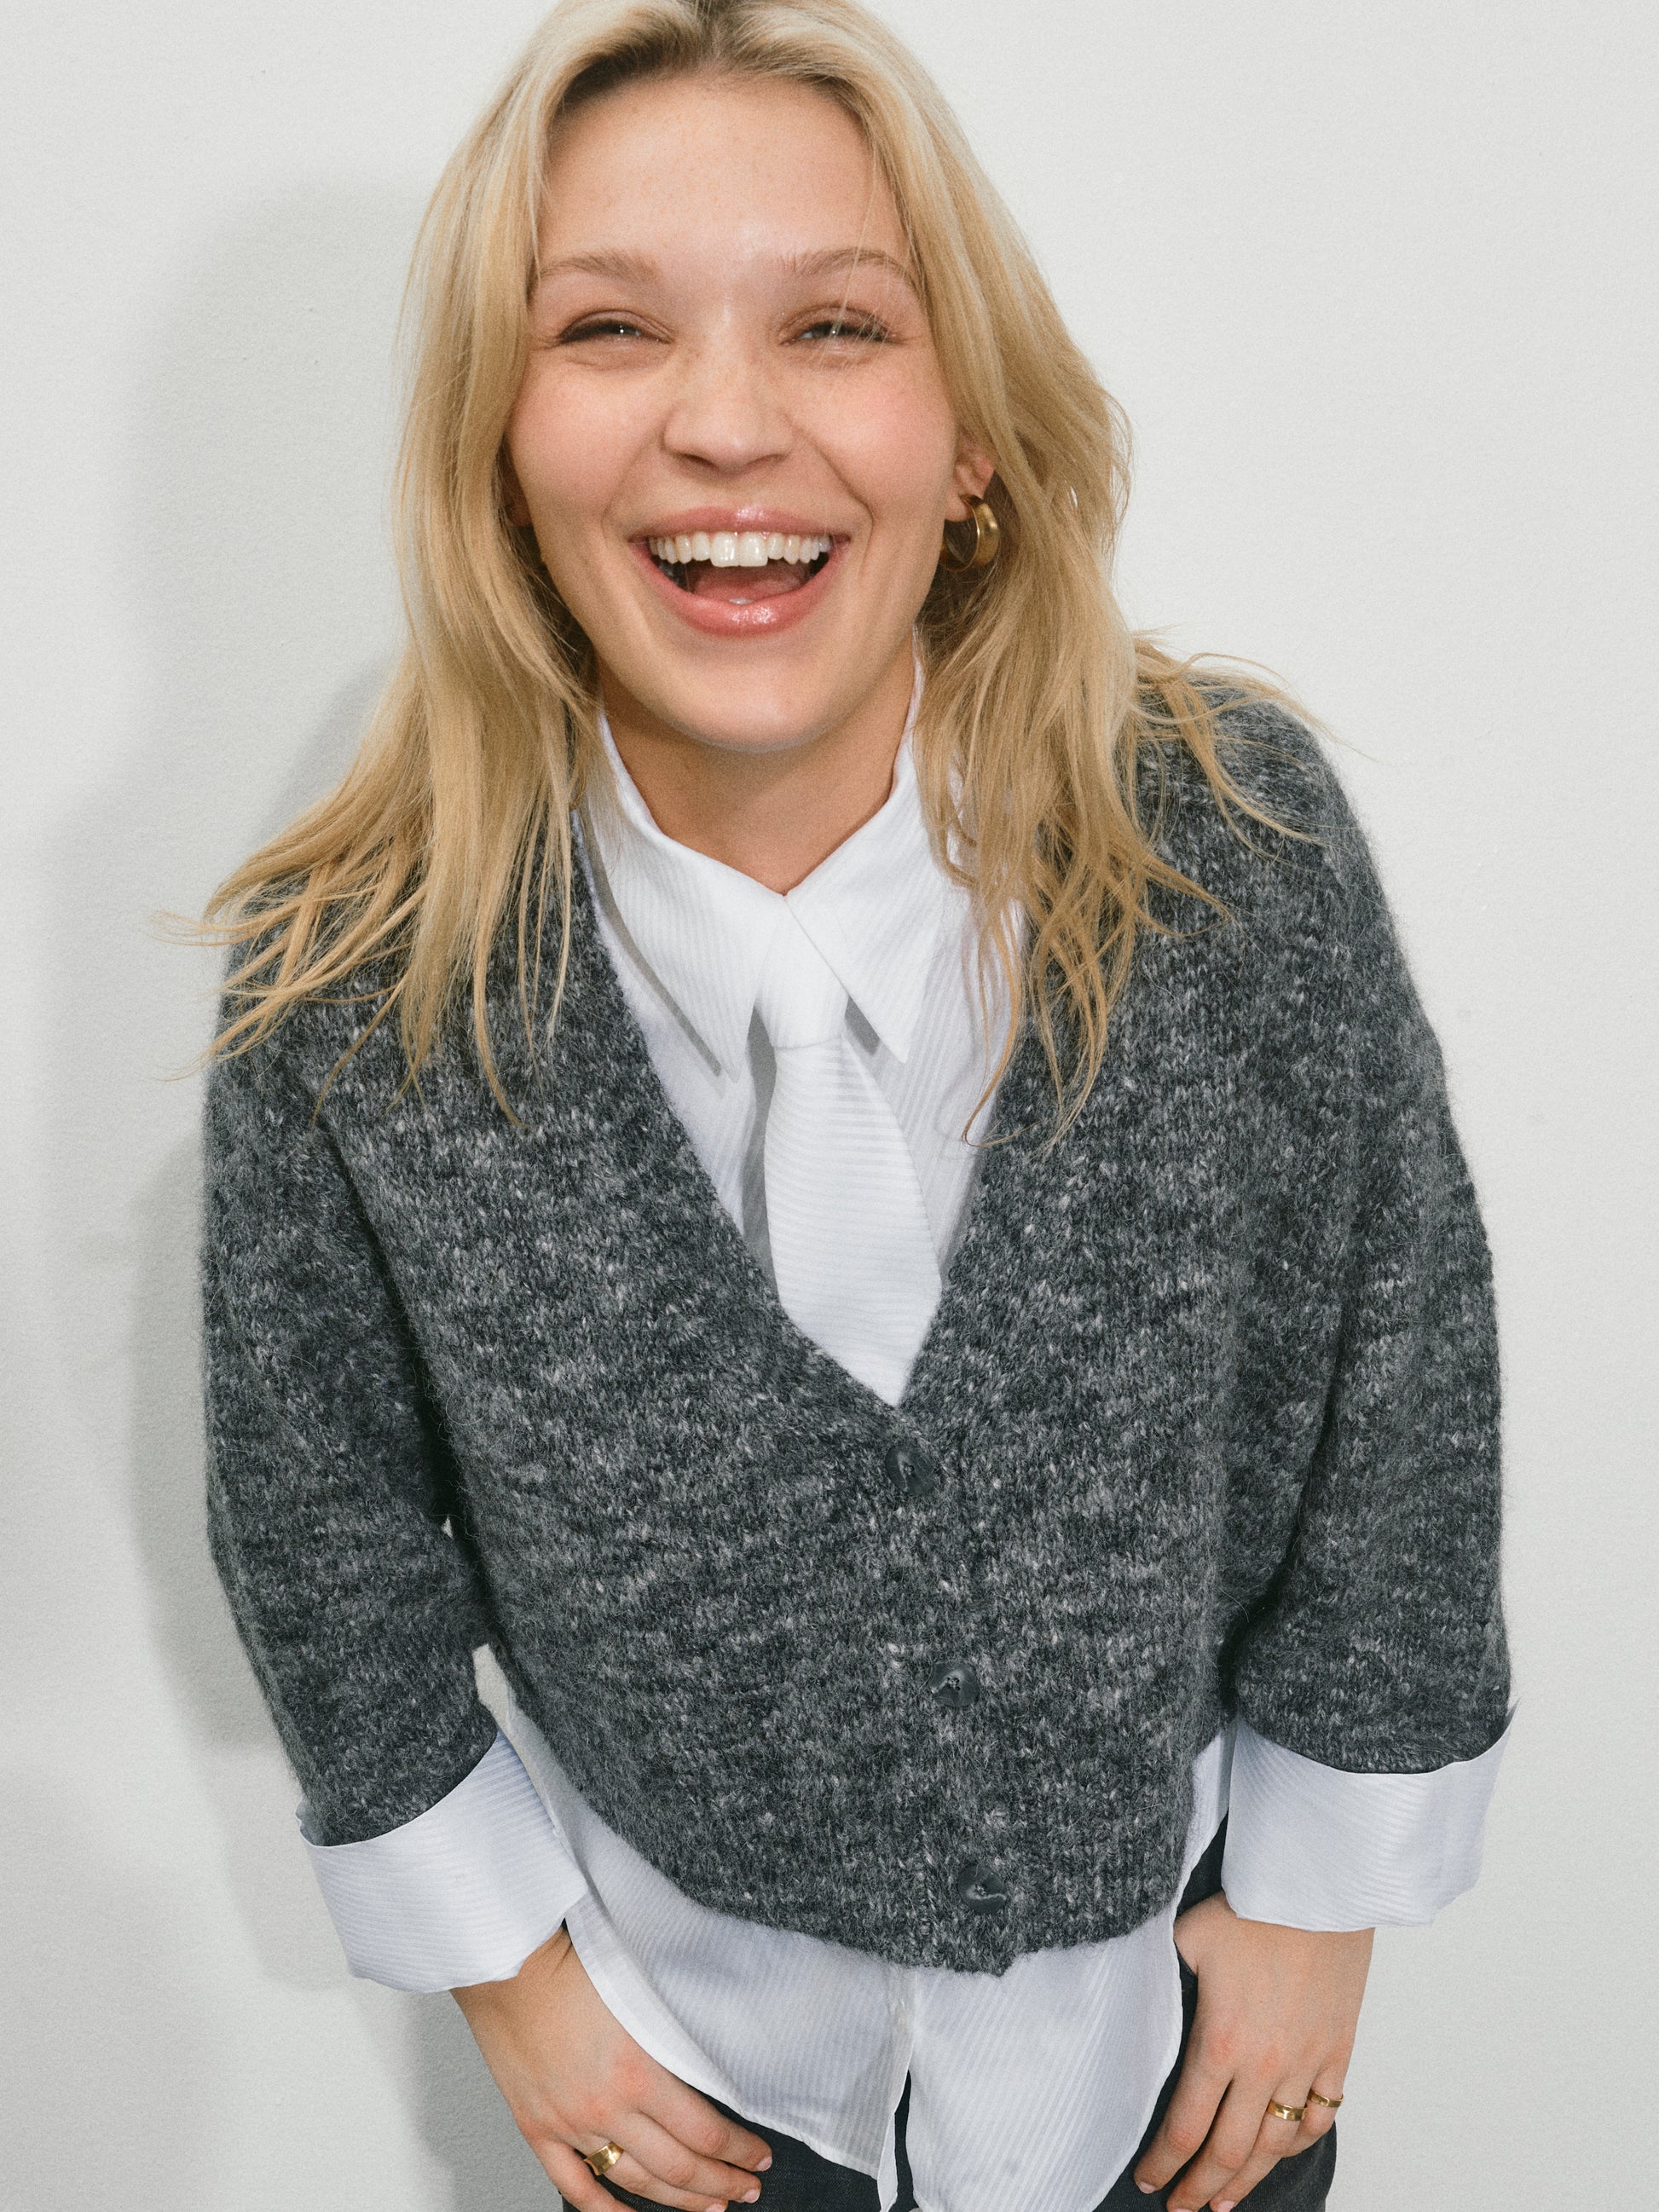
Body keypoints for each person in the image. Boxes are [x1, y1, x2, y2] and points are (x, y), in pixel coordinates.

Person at [196, 3, 1511, 2209]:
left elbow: (1401, 1368)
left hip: (1178, 2056)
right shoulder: (355, 981)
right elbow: (316, 1516)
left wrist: (1321, 1904)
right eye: (608, 328)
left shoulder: (1230, 850)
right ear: (498, 445)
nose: (727, 423)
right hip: (695, 2089)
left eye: (835, 325)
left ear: (969, 434)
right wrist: (513, 1979)